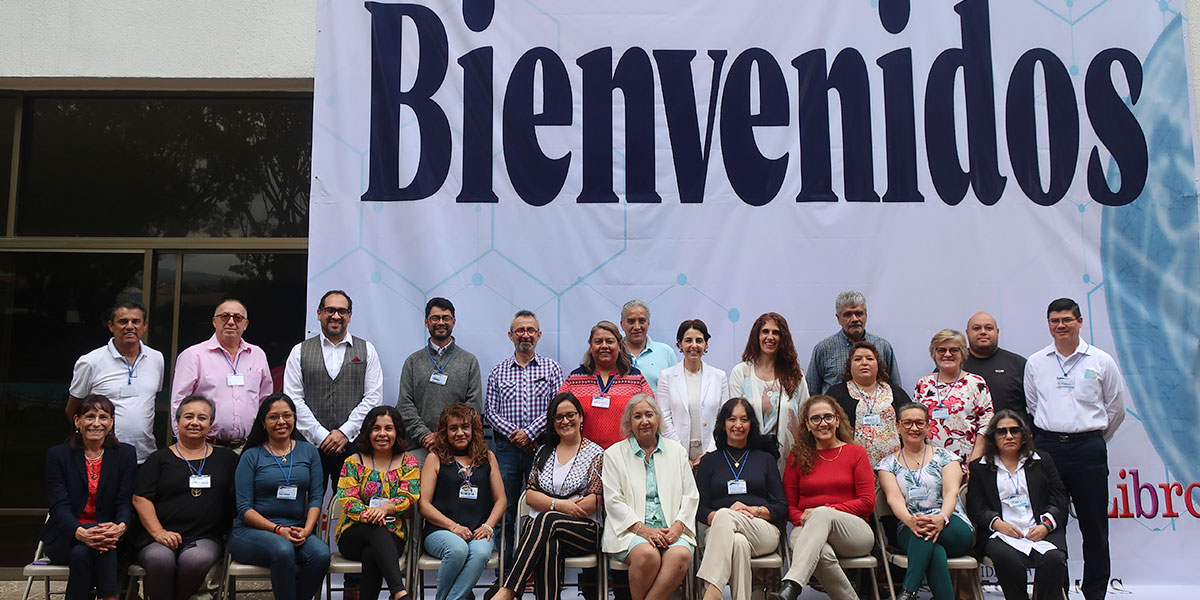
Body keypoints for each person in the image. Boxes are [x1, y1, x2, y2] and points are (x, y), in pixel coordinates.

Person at [1023, 298, 1128, 600]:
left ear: (1080, 322)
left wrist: (1093, 440)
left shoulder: (1100, 360)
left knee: (1094, 526)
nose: (1061, 326)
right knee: (1051, 524)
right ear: (1049, 325)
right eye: (1055, 321)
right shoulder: (1036, 362)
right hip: (1048, 449)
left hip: (1087, 450)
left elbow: (1116, 408)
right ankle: (1058, 591)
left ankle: (1095, 592)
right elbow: (1033, 406)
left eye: (1067, 319)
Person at [489, 392, 605, 600]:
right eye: (558, 417)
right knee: (550, 543)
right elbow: (531, 496)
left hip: (584, 530)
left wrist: (550, 505)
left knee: (545, 518)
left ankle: (508, 590)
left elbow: (593, 501)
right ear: (552, 423)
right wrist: (562, 506)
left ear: (581, 418)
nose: (565, 421)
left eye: (570, 415)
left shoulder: (596, 453)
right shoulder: (544, 451)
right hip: (545, 531)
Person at [133, 395, 238, 600]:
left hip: (205, 536)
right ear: (177, 422)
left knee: (196, 561)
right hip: (158, 536)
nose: (195, 423)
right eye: (188, 417)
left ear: (210, 424)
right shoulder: (158, 459)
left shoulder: (227, 459)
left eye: (202, 418)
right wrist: (159, 532)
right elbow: (140, 499)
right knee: (159, 560)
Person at [769, 395, 874, 600]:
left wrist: (824, 512)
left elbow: (867, 502)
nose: (823, 423)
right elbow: (789, 505)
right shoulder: (798, 457)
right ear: (807, 425)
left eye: (828, 417)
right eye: (815, 419)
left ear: (837, 420)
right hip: (808, 529)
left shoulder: (856, 453)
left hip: (854, 533)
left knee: (822, 514)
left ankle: (792, 584)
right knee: (818, 550)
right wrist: (809, 520)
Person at [228, 393, 330, 600]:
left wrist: (307, 530)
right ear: (264, 423)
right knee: (283, 550)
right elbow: (244, 509)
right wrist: (278, 530)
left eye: (287, 415)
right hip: (251, 532)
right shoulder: (251, 456)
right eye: (274, 417)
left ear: (294, 418)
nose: (281, 421)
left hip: (296, 529)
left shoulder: (310, 452)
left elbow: (317, 496)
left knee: (321, 555)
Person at [485, 309, 565, 569]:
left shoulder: (552, 369)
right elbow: (491, 411)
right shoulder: (498, 372)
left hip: (542, 449)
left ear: (539, 335)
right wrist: (515, 435)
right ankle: (507, 571)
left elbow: (556, 409)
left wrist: (529, 433)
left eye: (531, 330)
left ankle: (533, 569)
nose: (525, 335)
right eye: (520, 330)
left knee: (538, 510)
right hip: (506, 451)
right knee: (506, 508)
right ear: (511, 335)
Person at [602, 394, 698, 600]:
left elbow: (691, 495)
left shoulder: (677, 452)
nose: (644, 421)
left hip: (672, 528)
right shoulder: (613, 454)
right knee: (648, 555)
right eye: (637, 416)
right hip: (630, 531)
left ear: (658, 419)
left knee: (680, 555)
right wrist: (643, 530)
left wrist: (678, 528)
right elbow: (613, 501)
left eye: (649, 414)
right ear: (629, 423)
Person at [284, 289, 383, 488]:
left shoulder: (367, 350)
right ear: (319, 313)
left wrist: (344, 433)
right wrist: (321, 436)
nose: (336, 316)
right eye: (330, 310)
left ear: (349, 316)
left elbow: (373, 398)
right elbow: (293, 399)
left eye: (342, 311)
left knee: (352, 506)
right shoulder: (299, 351)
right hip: (309, 445)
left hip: (353, 445)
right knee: (305, 504)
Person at [43, 395, 138, 600]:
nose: (96, 423)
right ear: (77, 421)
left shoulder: (126, 454)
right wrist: (80, 533)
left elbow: (124, 500)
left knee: (85, 552)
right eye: (89, 416)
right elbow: (59, 505)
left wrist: (120, 527)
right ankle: (110, 597)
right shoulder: (58, 456)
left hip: (112, 535)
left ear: (111, 422)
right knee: (93, 548)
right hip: (67, 536)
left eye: (103, 417)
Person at [967, 411, 1069, 600]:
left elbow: (1060, 499)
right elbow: (976, 506)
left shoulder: (1042, 460)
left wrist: (1045, 526)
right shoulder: (979, 467)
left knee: (1054, 560)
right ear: (992, 437)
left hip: (1040, 532)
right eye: (1001, 432)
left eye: (1014, 431)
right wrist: (998, 524)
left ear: (1023, 434)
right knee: (1008, 559)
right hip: (1000, 534)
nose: (1009, 436)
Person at [876, 403, 974, 600]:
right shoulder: (887, 464)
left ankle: (908, 592)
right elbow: (893, 498)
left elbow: (951, 492)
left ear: (928, 427)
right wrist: (910, 520)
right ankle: (909, 593)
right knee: (931, 546)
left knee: (925, 534)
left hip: (952, 524)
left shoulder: (946, 457)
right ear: (898, 427)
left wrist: (942, 517)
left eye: (920, 423)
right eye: (908, 423)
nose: (914, 428)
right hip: (909, 526)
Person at [694, 398, 786, 600]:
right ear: (723, 424)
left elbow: (781, 507)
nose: (738, 425)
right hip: (720, 531)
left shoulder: (765, 459)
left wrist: (754, 510)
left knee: (727, 516)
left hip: (761, 529)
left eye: (744, 419)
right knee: (737, 542)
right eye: (732, 419)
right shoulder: (709, 461)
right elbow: (700, 508)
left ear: (751, 424)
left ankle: (711, 592)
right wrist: (722, 518)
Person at [418, 403, 506, 600]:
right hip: (440, 531)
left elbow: (501, 500)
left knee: (482, 553)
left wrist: (489, 526)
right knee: (457, 549)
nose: (460, 433)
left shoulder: (488, 457)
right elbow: (423, 504)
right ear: (444, 432)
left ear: (474, 430)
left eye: (465, 427)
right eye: (453, 428)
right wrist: (453, 527)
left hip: (478, 531)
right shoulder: (435, 458)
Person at [335, 405, 421, 600]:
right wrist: (371, 515)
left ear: (397, 431)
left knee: (372, 553)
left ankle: (399, 594)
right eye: (376, 428)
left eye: (388, 428)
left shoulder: (409, 463)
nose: (382, 434)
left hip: (393, 536)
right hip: (353, 534)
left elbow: (408, 495)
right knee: (375, 530)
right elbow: (348, 499)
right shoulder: (353, 462)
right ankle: (400, 593)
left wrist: (384, 509)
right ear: (367, 432)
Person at [67, 300, 165, 463]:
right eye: (122, 321)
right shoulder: (91, 362)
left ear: (144, 326)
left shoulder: (156, 358)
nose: (129, 326)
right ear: (111, 326)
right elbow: (73, 410)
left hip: (145, 455)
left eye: (135, 321)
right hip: (102, 455)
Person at [170, 299, 274, 449]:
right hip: (205, 446)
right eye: (225, 316)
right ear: (214, 322)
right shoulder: (193, 355)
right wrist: (184, 444)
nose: (231, 322)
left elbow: (265, 400)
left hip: (248, 447)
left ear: (245, 325)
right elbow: (178, 402)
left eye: (237, 318)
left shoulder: (257, 355)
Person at [398, 297, 483, 462]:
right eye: (435, 318)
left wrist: (443, 435)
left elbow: (473, 406)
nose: (441, 322)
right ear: (426, 322)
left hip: (459, 449)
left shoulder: (469, 361)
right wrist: (425, 436)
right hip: (421, 447)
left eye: (446, 318)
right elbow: (404, 405)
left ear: (454, 322)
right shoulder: (412, 362)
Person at [558, 321, 655, 449]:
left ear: (619, 346)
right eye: (598, 342)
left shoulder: (635, 377)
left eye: (609, 341)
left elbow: (652, 412)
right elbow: (557, 412)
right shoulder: (575, 378)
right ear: (591, 347)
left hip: (626, 454)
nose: (604, 346)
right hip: (583, 455)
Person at [728, 312, 809, 465]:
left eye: (776, 332)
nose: (770, 337)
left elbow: (806, 415)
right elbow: (734, 418)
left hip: (790, 460)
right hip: (749, 458)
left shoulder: (795, 375)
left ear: (783, 338)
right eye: (765, 331)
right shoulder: (741, 372)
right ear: (756, 336)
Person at [912, 329, 994, 466]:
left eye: (954, 350)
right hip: (928, 461)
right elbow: (915, 421)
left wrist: (975, 459)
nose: (947, 354)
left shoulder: (976, 383)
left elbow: (987, 423)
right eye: (941, 350)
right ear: (934, 354)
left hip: (967, 460)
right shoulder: (924, 384)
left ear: (963, 354)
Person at [825, 341, 912, 466]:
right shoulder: (836, 393)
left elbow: (911, 424)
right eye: (858, 359)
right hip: (850, 465)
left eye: (870, 359)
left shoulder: (896, 392)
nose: (864, 363)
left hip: (894, 467)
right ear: (850, 365)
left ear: (878, 365)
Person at [657, 319, 730, 465]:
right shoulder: (666, 376)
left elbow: (724, 417)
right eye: (688, 340)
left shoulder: (719, 376)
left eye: (699, 340)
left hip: (713, 453)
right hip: (675, 454)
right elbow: (664, 418)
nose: (694, 345)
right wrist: (681, 454)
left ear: (706, 344)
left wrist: (709, 453)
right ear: (680, 344)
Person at [807, 290, 901, 396]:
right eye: (848, 315)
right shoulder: (824, 349)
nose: (854, 319)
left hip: (877, 410)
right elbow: (812, 392)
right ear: (838, 318)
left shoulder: (883, 347)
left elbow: (896, 390)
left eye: (859, 313)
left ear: (866, 315)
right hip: (835, 410)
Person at [963, 312, 1029, 422]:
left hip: (1009, 435)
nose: (983, 332)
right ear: (967, 333)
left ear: (997, 332)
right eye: (977, 328)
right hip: (968, 436)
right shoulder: (955, 365)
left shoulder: (1018, 364)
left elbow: (1035, 406)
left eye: (989, 328)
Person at [619, 300, 678, 391]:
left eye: (642, 321)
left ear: (648, 324)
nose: (637, 327)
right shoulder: (614, 353)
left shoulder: (665, 352)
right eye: (631, 321)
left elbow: (676, 391)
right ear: (622, 325)